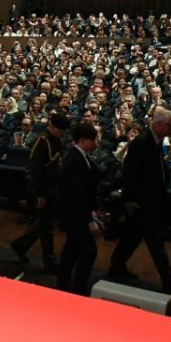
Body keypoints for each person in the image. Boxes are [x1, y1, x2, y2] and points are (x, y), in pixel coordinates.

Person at [108, 108, 171, 295]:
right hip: (142, 202)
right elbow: (130, 172)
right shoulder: (141, 142)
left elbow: (156, 169)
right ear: (158, 124)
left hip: (150, 200)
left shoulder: (155, 141)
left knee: (131, 238)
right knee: (155, 243)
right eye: (170, 125)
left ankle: (116, 268)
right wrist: (128, 198)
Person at [10, 113, 69, 272]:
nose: (63, 133)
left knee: (45, 223)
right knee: (47, 227)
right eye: (61, 130)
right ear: (54, 128)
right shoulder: (42, 141)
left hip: (52, 188)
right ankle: (49, 262)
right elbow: (35, 170)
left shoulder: (55, 139)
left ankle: (20, 246)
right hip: (43, 189)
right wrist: (40, 195)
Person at [57, 123, 103, 295]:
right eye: (93, 140)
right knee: (88, 250)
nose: (96, 143)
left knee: (71, 249)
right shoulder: (74, 160)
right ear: (84, 141)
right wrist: (89, 219)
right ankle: (77, 289)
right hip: (76, 215)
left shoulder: (80, 157)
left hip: (77, 213)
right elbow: (77, 194)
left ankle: (64, 284)